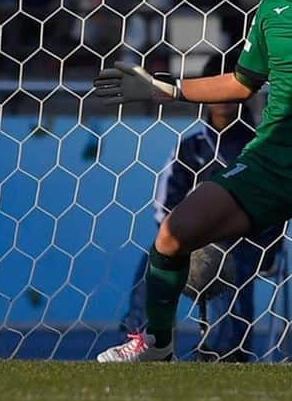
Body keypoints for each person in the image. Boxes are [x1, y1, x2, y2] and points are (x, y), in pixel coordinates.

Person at [93, 0, 292, 362]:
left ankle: (229, 348)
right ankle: (158, 345)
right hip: (272, 163)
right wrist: (163, 88)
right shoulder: (272, 10)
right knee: (173, 234)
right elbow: (242, 83)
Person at [117, 54, 282, 361]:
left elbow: (273, 205)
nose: (224, 101)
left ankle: (228, 350)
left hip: (245, 243)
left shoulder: (259, 144)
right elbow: (165, 203)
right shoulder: (190, 147)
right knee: (153, 258)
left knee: (233, 264)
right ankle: (143, 337)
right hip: (194, 239)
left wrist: (257, 243)